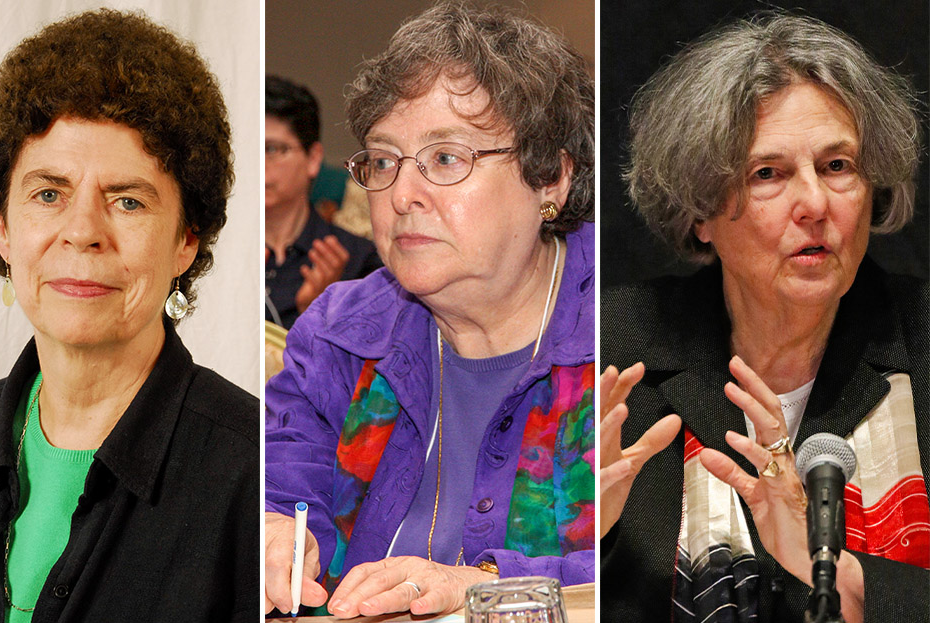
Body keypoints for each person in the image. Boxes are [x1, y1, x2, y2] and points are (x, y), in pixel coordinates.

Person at [266, 2, 595, 618]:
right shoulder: (341, 335)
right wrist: (276, 529)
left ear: (551, 179)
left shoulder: (618, 336)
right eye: (384, 161)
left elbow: (637, 568)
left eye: (446, 158)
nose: (402, 194)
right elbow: (281, 483)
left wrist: (482, 585)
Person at [0, 10, 258, 622]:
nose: (82, 233)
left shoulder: (248, 472)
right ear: (2, 227)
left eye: (127, 201)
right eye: (48, 194)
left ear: (186, 239)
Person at [601, 13, 929, 623]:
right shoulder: (615, 346)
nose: (814, 204)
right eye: (768, 174)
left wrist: (840, 573)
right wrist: (574, 543)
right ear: (699, 208)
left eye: (837, 167)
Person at [265, 75, 381, 329]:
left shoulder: (358, 262)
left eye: (272, 150)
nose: (258, 164)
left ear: (313, 159)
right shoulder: (223, 256)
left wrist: (320, 314)